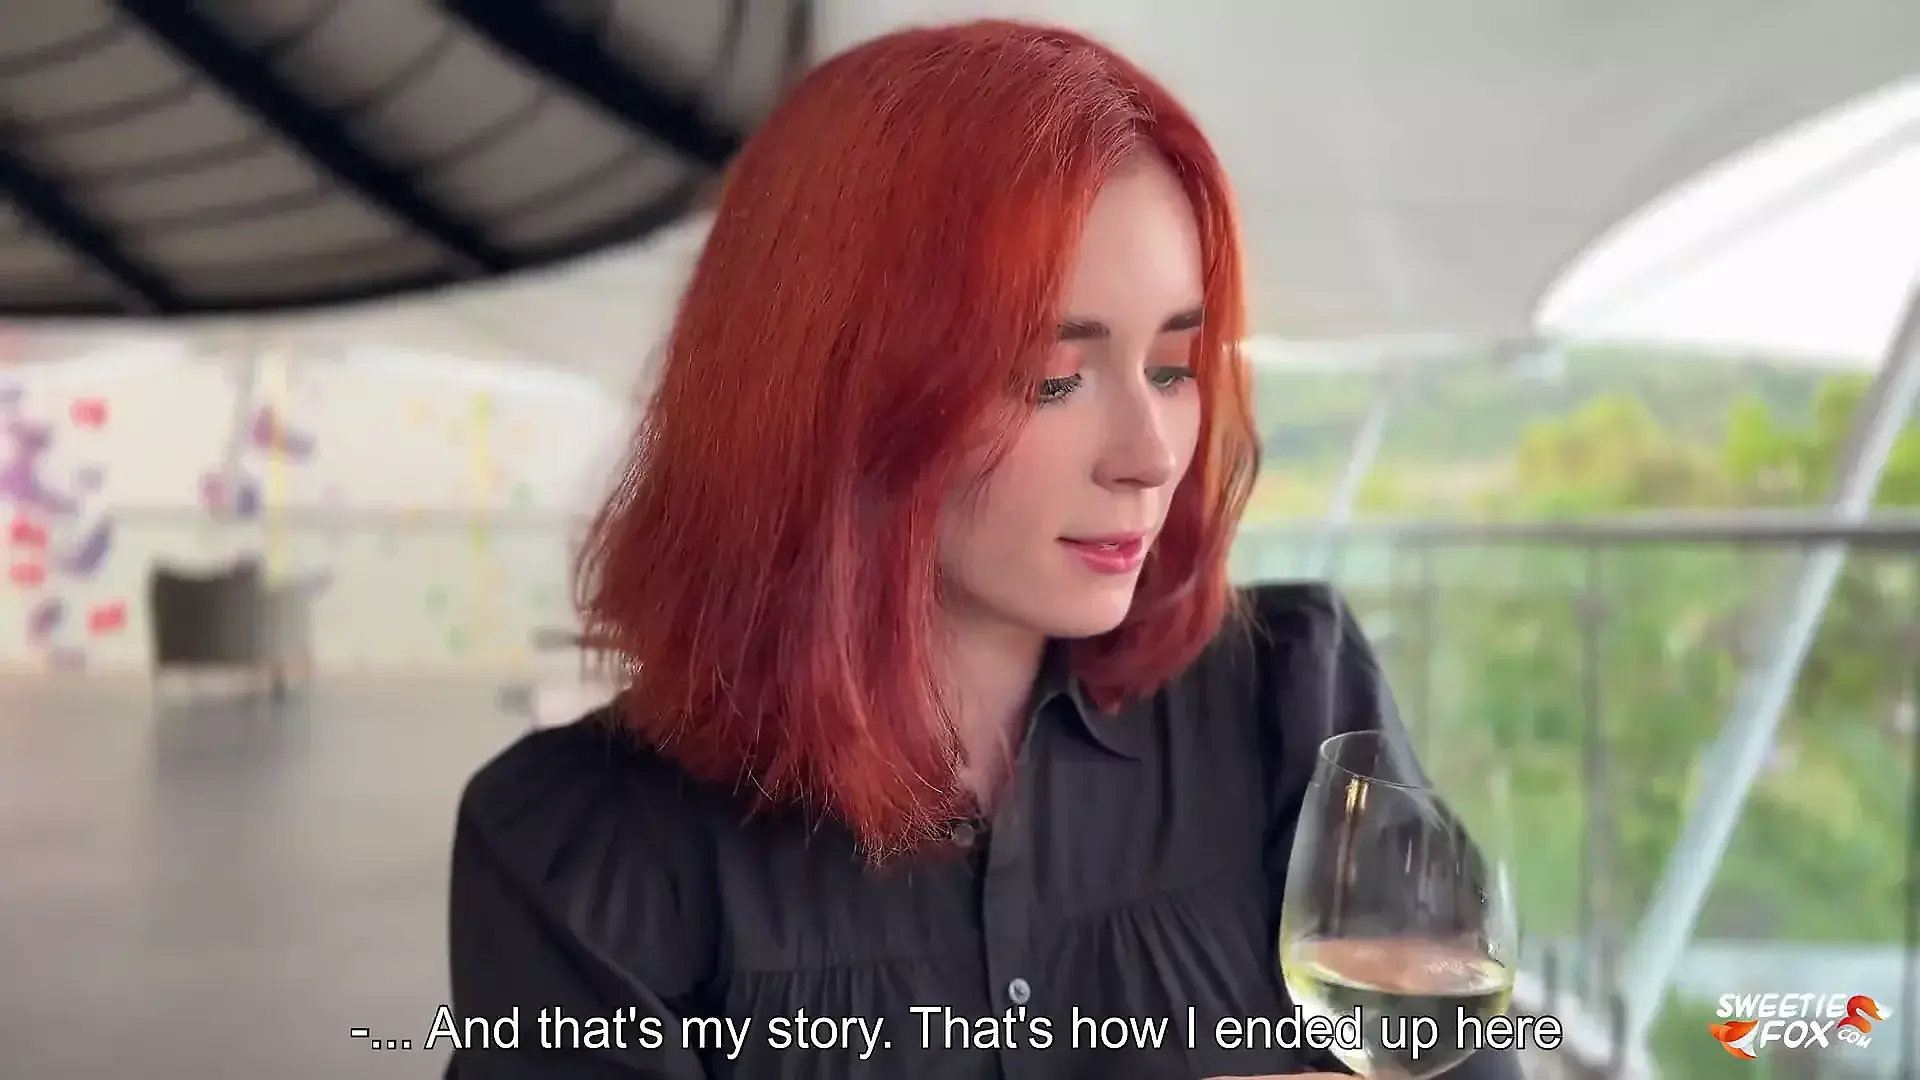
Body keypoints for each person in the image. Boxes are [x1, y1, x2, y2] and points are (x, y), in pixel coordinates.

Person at [445, 20, 1521, 1080]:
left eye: (1174, 366)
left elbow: (1459, 1059)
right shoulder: (576, 855)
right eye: (1054, 376)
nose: (1151, 456)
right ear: (831, 388)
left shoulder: (1290, 696)